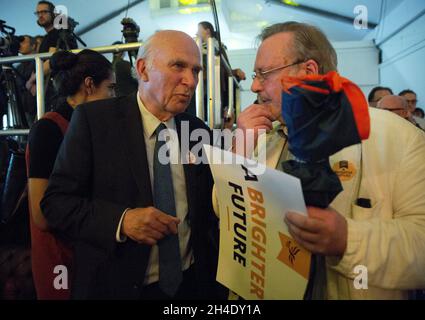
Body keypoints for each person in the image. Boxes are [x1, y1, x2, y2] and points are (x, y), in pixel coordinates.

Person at [215, 21, 425, 299]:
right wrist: (240, 146)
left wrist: (347, 240)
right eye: (255, 74)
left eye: (264, 74)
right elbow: (223, 210)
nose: (254, 85)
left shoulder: (396, 136)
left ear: (309, 71)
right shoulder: (263, 135)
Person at [40, 30, 225, 300]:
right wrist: (122, 221)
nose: (191, 81)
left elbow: (212, 209)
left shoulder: (196, 130)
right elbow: (55, 204)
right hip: (117, 286)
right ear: (143, 69)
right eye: (178, 66)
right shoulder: (94, 122)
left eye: (196, 70)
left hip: (190, 286)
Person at [26, 49, 116, 299]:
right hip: (60, 259)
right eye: (110, 88)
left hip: (89, 254)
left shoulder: (92, 127)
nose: (113, 96)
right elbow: (42, 215)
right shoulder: (48, 130)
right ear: (89, 85)